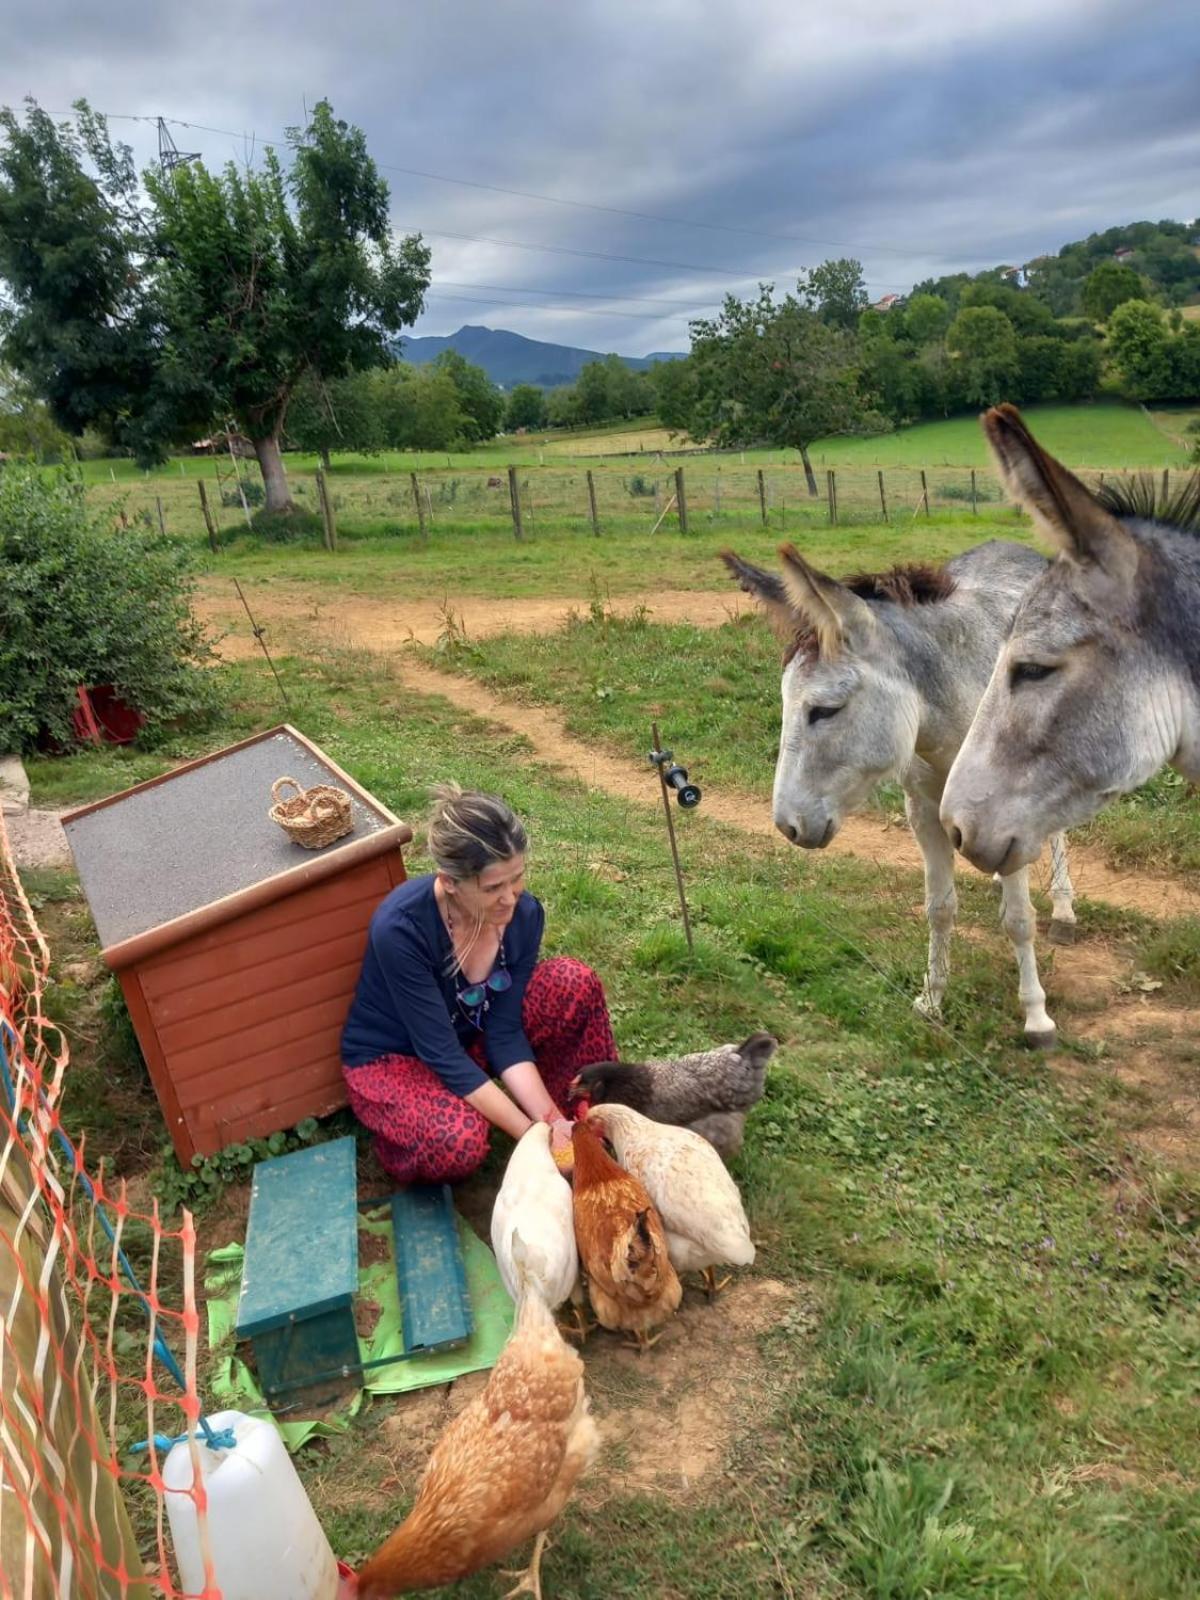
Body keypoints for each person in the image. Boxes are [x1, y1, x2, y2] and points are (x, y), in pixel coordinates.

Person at [341, 784, 618, 1184]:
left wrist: (553, 1123)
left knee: (573, 982)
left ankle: (575, 1119)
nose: (510, 898)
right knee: (456, 1141)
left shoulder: (523, 916)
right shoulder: (402, 929)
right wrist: (533, 1140)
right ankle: (401, 1132)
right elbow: (440, 1053)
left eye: (517, 879)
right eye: (492, 888)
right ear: (450, 882)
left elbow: (503, 1032)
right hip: (397, 1057)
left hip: (471, 1038)